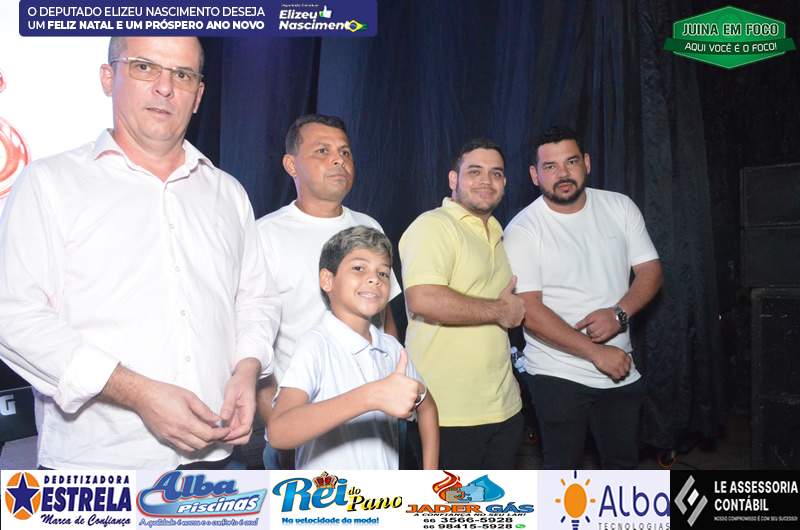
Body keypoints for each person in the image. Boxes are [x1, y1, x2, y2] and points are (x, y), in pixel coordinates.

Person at [0, 37, 280, 469]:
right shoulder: (49, 183)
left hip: (218, 457)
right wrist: (139, 394)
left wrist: (247, 369)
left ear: (198, 96)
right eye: (145, 67)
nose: (165, 87)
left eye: (182, 75)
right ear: (107, 77)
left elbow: (256, 299)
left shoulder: (228, 194)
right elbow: (13, 315)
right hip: (98, 468)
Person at [504, 126, 663, 469]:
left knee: (623, 470)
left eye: (571, 162)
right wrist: (595, 353)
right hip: (556, 371)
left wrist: (619, 314)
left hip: (620, 366)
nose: (563, 174)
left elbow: (650, 270)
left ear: (587, 163)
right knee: (563, 474)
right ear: (535, 175)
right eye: (550, 166)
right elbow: (529, 310)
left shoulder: (620, 207)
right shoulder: (522, 229)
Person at [255, 114, 400, 468]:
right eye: (323, 151)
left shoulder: (368, 226)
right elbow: (253, 342)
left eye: (345, 152)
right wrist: (277, 426)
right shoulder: (264, 237)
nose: (339, 160)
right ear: (291, 165)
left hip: (372, 422)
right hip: (302, 429)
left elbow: (386, 322)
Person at [399, 138, 524, 470]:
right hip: (446, 412)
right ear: (453, 179)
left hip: (504, 407)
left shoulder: (497, 232)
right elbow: (423, 298)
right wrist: (501, 311)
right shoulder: (434, 225)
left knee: (500, 503)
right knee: (447, 503)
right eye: (475, 172)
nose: (486, 181)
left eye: (496, 173)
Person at [268, 226, 438, 469]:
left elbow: (427, 407)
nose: (374, 279)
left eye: (383, 273)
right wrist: (371, 396)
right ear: (327, 280)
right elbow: (278, 432)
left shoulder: (390, 349)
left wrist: (430, 477)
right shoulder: (316, 345)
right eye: (359, 268)